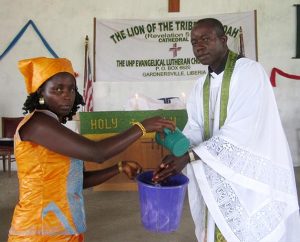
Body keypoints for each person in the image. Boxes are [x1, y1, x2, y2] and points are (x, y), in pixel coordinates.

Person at [153, 18, 300, 242]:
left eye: (206, 39)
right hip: (214, 175)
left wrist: (189, 156)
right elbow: (195, 128)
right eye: (194, 42)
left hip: (246, 179)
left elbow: (243, 131)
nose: (199, 46)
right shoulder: (200, 85)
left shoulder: (249, 72)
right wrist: (176, 152)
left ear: (223, 40)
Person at [8, 57, 175, 242]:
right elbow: (97, 152)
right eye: (58, 89)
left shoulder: (53, 126)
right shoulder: (37, 123)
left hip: (66, 229)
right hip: (38, 231)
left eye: (71, 88)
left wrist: (118, 167)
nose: (67, 95)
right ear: (41, 92)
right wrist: (142, 127)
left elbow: (77, 181)